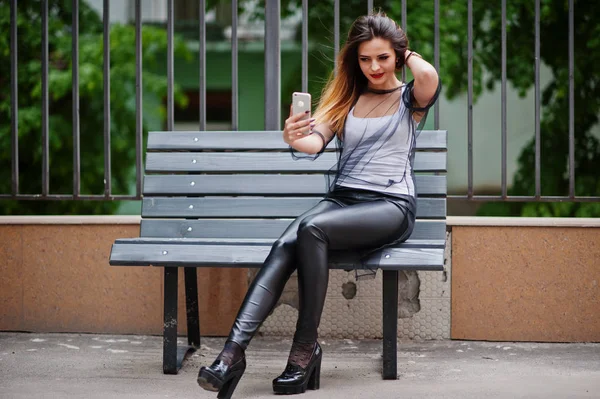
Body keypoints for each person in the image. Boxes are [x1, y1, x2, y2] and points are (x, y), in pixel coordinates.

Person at [197, 10, 440, 398]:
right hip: (344, 200)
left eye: (382, 57)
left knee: (311, 228)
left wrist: (404, 51)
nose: (373, 67)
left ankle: (303, 351)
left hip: (391, 205)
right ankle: (230, 356)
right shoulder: (348, 97)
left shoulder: (409, 97)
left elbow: (429, 78)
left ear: (396, 55)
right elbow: (315, 142)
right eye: (364, 59)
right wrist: (293, 137)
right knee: (286, 243)